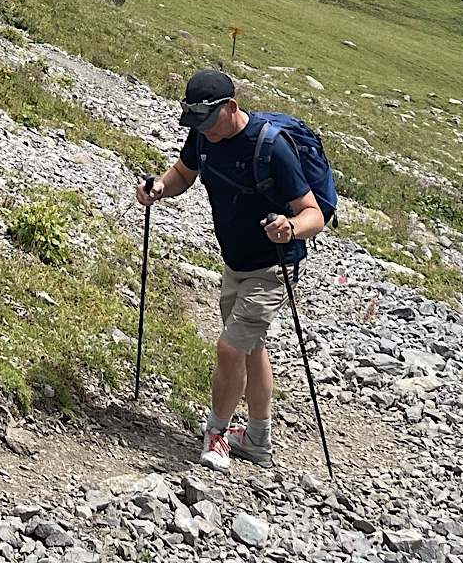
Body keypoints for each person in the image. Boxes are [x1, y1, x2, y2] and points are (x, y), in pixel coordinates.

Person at [134, 70, 324, 471]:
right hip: (235, 261)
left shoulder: (271, 146)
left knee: (230, 347)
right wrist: (160, 190)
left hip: (274, 266)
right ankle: (258, 439)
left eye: (208, 122)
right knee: (250, 348)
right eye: (196, 124)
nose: (204, 131)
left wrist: (290, 228)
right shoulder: (204, 134)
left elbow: (315, 214)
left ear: (231, 108)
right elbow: (184, 174)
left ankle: (216, 434)